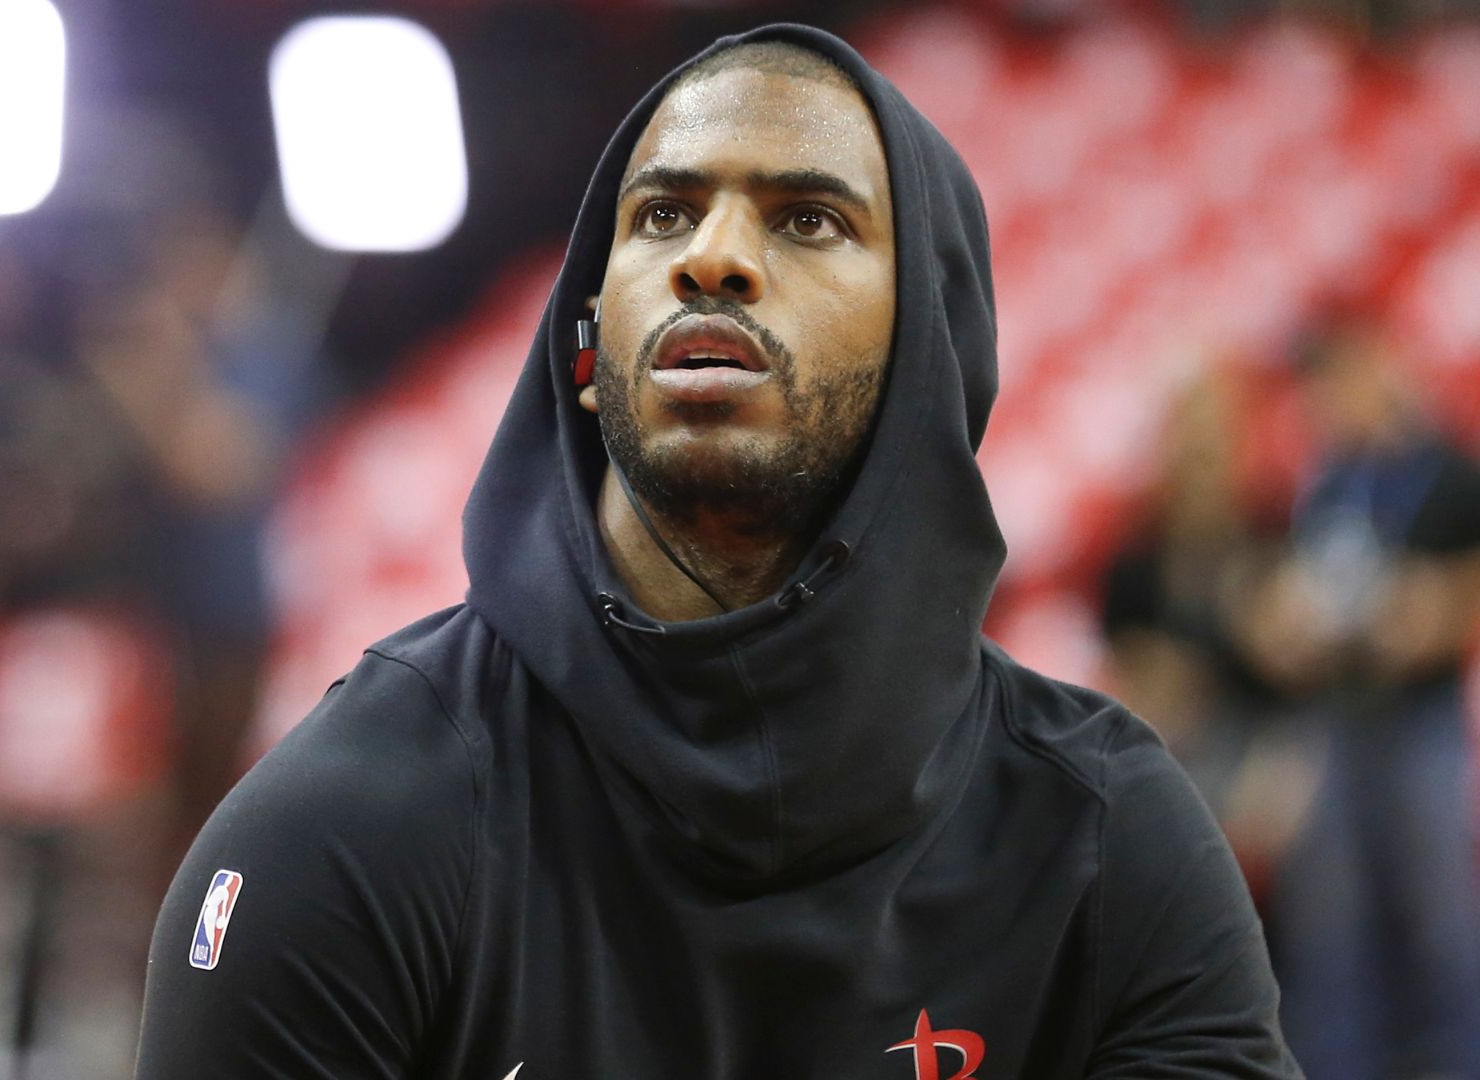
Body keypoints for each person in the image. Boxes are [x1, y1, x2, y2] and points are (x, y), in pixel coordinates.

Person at [135, 24, 1300, 1078]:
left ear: (930, 358)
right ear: (585, 354)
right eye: (662, 215)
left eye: (808, 219)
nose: (713, 257)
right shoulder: (350, 824)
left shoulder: (1107, 838)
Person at [1257, 322, 1480, 1080]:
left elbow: (1461, 595)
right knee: (1332, 918)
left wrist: (1435, 612)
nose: (1323, 402)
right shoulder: (1329, 485)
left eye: (1334, 381)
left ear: (1377, 371)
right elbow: (1293, 597)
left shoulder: (1450, 473)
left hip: (1419, 718)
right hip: (1338, 712)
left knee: (1437, 911)